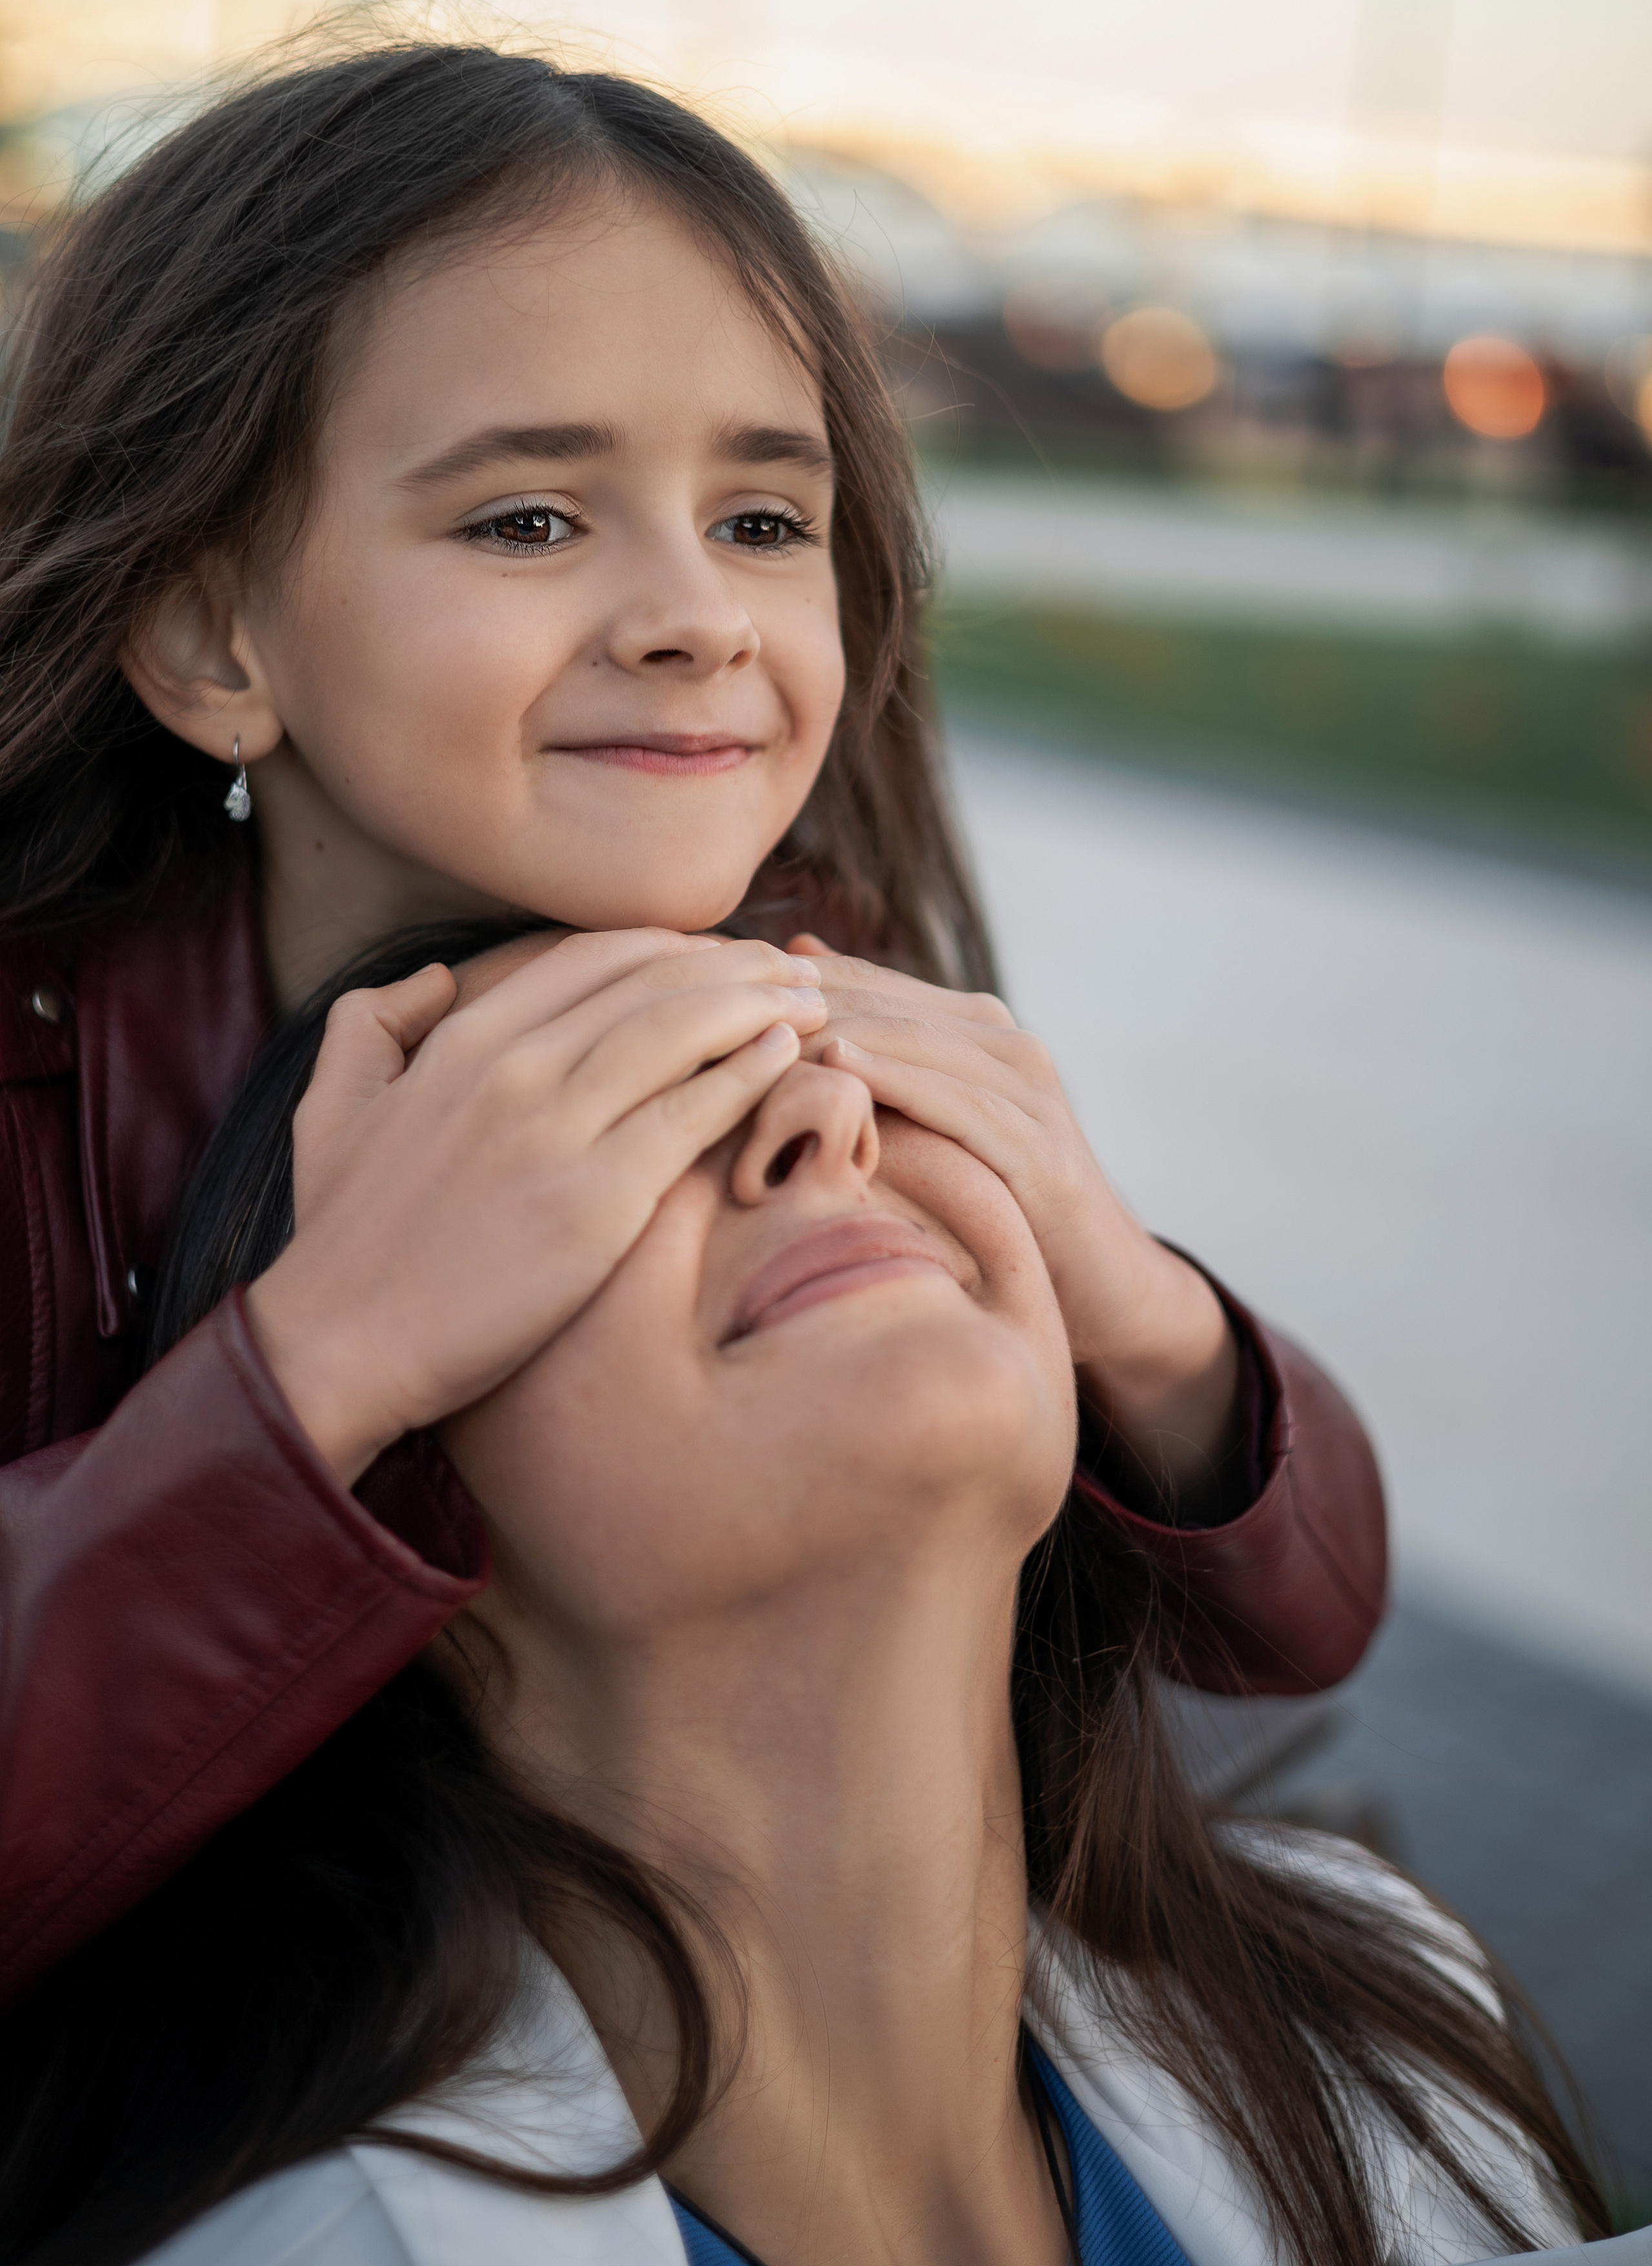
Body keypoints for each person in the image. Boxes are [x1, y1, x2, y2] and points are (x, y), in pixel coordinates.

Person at [0, 37, 1382, 2012]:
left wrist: (1130, 1300)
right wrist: (325, 1364)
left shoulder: (836, 996)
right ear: (214, 635)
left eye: (760, 523)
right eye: (528, 522)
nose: (698, 616)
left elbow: (1294, 1625)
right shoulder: (31, 1083)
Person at [0, 926, 1600, 2266]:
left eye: (839, 1059)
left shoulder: (1404, 2020)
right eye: (606, 1125)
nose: (826, 1122)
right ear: (362, 1499)